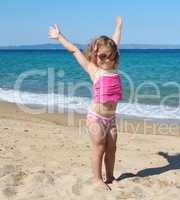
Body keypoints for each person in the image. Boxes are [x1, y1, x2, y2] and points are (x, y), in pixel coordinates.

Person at [48, 16, 123, 191]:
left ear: (114, 55)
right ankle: (97, 179)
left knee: (112, 148)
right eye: (101, 56)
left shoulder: (114, 69)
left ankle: (110, 176)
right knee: (98, 147)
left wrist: (119, 26)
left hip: (111, 119)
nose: (106, 59)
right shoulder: (94, 70)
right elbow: (75, 50)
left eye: (109, 55)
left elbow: (116, 41)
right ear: (95, 56)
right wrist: (59, 37)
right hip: (96, 118)